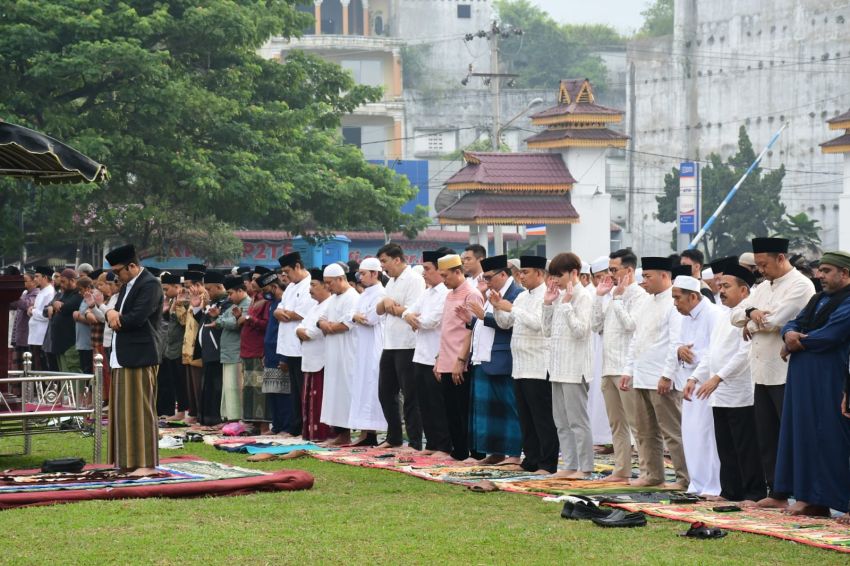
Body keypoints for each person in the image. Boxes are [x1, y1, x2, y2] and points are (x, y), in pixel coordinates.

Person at [730, 237, 815, 508]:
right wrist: (752, 311)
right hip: (761, 371)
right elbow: (734, 315)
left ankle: (805, 495)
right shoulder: (763, 286)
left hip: (787, 372)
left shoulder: (801, 285)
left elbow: (777, 321)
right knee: (767, 437)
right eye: (758, 266)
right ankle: (777, 492)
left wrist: (751, 322)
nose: (760, 271)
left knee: (793, 436)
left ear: (781, 258)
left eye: (764, 264)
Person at [775, 251, 850, 517]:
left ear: (845, 273)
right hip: (804, 380)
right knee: (804, 434)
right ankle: (810, 498)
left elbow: (833, 334)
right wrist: (789, 335)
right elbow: (794, 322)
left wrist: (797, 342)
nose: (820, 276)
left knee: (830, 436)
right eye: (820, 270)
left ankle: (837, 500)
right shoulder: (818, 298)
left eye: (827, 271)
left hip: (831, 380)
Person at [694, 264, 766, 502]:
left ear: (744, 291)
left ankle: (753, 493)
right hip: (719, 392)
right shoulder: (724, 314)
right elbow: (711, 352)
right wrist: (696, 377)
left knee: (745, 445)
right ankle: (730, 491)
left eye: (726, 286)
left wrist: (718, 377)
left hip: (741, 391)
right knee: (725, 445)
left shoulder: (748, 315)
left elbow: (744, 355)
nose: (720, 290)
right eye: (720, 285)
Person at [620, 256, 688, 489]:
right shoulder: (646, 303)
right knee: (645, 430)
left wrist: (667, 375)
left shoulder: (674, 303)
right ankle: (652, 473)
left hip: (662, 378)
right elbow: (636, 339)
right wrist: (628, 370)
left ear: (664, 276)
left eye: (648, 277)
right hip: (642, 375)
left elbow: (675, 343)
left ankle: (684, 477)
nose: (644, 281)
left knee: (672, 432)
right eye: (643, 277)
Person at [493, 255, 558, 474]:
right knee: (526, 418)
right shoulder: (521, 297)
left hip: (539, 365)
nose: (521, 276)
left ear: (540, 273)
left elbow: (538, 324)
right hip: (520, 366)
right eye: (520, 272)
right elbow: (505, 323)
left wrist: (510, 308)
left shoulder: (548, 296)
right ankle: (530, 460)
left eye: (526, 272)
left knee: (542, 418)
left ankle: (547, 463)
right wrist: (497, 308)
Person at [104, 244, 163, 476]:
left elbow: (134, 319)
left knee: (141, 411)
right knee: (123, 412)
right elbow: (115, 313)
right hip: (123, 355)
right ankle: (127, 461)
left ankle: (147, 464)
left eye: (119, 271)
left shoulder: (149, 285)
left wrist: (114, 315)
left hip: (141, 355)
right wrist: (111, 314)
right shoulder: (128, 285)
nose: (116, 276)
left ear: (132, 265)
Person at [462, 254, 523, 465]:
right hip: (483, 358)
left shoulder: (517, 294)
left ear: (503, 274)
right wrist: (471, 320)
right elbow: (484, 323)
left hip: (502, 358)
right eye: (485, 278)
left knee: (507, 409)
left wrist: (482, 316)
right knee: (488, 412)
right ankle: (495, 453)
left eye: (489, 277)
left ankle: (514, 455)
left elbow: (510, 323)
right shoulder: (490, 293)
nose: (486, 282)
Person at [593, 249, 646, 482]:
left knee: (638, 424)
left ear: (630, 270)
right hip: (608, 367)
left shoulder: (639, 295)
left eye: (614, 270)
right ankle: (621, 470)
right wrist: (599, 296)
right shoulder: (611, 294)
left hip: (627, 368)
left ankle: (647, 472)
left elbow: (632, 326)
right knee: (617, 424)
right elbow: (596, 326)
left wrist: (616, 299)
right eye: (609, 270)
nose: (611, 275)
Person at [543, 253, 595, 479]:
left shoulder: (584, 297)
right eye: (552, 275)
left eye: (559, 275)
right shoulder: (559, 297)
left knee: (578, 422)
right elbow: (546, 331)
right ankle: (570, 465)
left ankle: (585, 468)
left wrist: (565, 306)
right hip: (557, 367)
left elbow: (581, 331)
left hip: (575, 369)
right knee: (561, 422)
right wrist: (547, 303)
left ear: (574, 273)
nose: (556, 280)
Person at [675, 275, 724, 497]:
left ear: (693, 296)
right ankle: (697, 483)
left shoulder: (714, 315)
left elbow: (714, 353)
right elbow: (679, 342)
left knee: (707, 435)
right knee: (691, 434)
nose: (675, 303)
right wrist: (679, 350)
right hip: (690, 382)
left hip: (708, 384)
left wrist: (694, 376)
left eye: (678, 298)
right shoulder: (685, 316)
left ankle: (713, 486)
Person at [376, 243, 425, 450]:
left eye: (385, 262)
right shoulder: (390, 281)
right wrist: (388, 303)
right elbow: (379, 309)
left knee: (410, 394)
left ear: (397, 259)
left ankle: (414, 441)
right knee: (385, 392)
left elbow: (414, 311)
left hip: (408, 343)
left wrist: (392, 307)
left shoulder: (414, 279)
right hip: (390, 343)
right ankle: (394, 436)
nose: (383, 268)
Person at [435, 254, 484, 461]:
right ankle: (458, 451)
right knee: (450, 410)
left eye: (446, 275)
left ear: (458, 272)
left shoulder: (471, 294)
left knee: (464, 409)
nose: (443, 280)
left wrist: (460, 360)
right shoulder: (449, 294)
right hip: (446, 359)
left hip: (460, 361)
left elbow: (471, 331)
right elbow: (446, 329)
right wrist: (439, 359)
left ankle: (471, 451)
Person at [402, 250, 452, 457]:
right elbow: (407, 311)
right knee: (423, 402)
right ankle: (431, 443)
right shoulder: (427, 292)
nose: (424, 274)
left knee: (437, 403)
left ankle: (443, 445)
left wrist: (416, 320)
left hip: (436, 354)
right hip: (420, 354)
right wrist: (412, 317)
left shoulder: (445, 293)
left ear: (440, 272)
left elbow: (432, 321)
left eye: (428, 269)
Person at [348, 257, 387, 445]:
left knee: (372, 387)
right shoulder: (363, 294)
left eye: (363, 273)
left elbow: (371, 318)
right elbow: (351, 316)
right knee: (361, 388)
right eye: (359, 273)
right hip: (361, 346)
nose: (360, 277)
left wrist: (357, 317)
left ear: (375, 273)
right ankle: (365, 432)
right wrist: (356, 317)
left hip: (375, 346)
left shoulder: (381, 293)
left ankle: (374, 432)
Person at [318, 263, 359, 446]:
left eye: (329, 283)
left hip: (347, 353)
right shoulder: (333, 299)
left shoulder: (353, 297)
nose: (327, 287)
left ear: (340, 279)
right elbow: (321, 319)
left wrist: (329, 326)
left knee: (345, 393)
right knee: (334, 393)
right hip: (333, 352)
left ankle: (346, 435)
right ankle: (338, 433)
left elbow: (345, 324)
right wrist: (325, 325)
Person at [275, 252, 315, 436]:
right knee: (292, 390)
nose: (285, 275)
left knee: (302, 390)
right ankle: (293, 425)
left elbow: (301, 314)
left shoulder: (309, 285)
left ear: (298, 267)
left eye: (287, 271)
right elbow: (279, 310)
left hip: (301, 347)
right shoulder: (291, 286)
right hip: (288, 347)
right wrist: (282, 312)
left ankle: (301, 426)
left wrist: (285, 313)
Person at [296, 269, 334, 441]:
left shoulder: (330, 304)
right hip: (310, 357)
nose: (310, 288)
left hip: (322, 358)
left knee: (320, 399)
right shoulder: (314, 306)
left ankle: (323, 434)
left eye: (313, 285)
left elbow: (313, 332)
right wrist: (302, 331)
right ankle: (310, 434)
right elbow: (300, 328)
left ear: (326, 286)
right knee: (309, 398)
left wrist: (303, 332)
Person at [238, 269, 271, 432]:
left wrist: (249, 319)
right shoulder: (253, 299)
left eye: (257, 279)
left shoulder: (266, 301)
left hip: (259, 350)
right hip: (248, 350)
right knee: (250, 388)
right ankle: (253, 423)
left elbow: (266, 325)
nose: (252, 282)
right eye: (252, 279)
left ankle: (264, 425)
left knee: (261, 389)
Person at [259, 271, 291, 435]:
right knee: (272, 392)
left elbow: (286, 332)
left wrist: (284, 357)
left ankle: (286, 426)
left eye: (266, 289)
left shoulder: (285, 302)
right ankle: (276, 426)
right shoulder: (273, 303)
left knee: (283, 393)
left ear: (274, 286)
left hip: (281, 352)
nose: (264, 293)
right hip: (270, 352)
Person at [588, 255, 614, 451]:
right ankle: (604, 438)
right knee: (600, 395)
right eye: (596, 277)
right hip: (600, 350)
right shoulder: (598, 296)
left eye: (604, 275)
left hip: (620, 354)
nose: (600, 280)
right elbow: (595, 325)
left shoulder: (625, 294)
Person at [217, 275, 251, 423]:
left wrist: (227, 320)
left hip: (237, 352)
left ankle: (237, 419)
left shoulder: (248, 304)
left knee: (235, 387)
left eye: (230, 293)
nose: (229, 297)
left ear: (240, 290)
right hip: (228, 352)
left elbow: (235, 323)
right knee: (229, 388)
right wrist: (226, 320)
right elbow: (220, 320)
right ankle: (230, 418)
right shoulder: (233, 306)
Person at [197, 271, 227, 426]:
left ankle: (216, 418)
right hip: (208, 352)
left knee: (217, 387)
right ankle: (206, 419)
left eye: (209, 289)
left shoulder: (226, 302)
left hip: (218, 352)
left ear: (219, 286)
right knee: (207, 387)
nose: (207, 293)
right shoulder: (212, 303)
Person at [156, 273, 186, 419]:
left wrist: (176, 307)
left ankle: (180, 412)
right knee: (169, 380)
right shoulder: (171, 300)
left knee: (178, 382)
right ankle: (169, 411)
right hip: (168, 347)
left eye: (167, 289)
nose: (165, 293)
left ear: (177, 287)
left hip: (180, 347)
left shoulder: (184, 301)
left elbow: (183, 322)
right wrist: (165, 312)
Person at [52, 268, 83, 374]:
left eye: (64, 281)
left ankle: (77, 392)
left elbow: (66, 307)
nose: (61, 285)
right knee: (63, 375)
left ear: (73, 280)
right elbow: (52, 307)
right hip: (60, 343)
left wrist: (57, 304)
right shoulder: (65, 294)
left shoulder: (78, 294)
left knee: (72, 373)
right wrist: (55, 303)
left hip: (70, 343)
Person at [27, 266, 55, 371]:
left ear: (45, 278)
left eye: (37, 276)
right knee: (34, 366)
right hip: (35, 335)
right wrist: (32, 310)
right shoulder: (41, 291)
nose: (35, 279)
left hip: (41, 336)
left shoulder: (49, 292)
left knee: (41, 367)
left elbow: (45, 315)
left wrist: (32, 311)